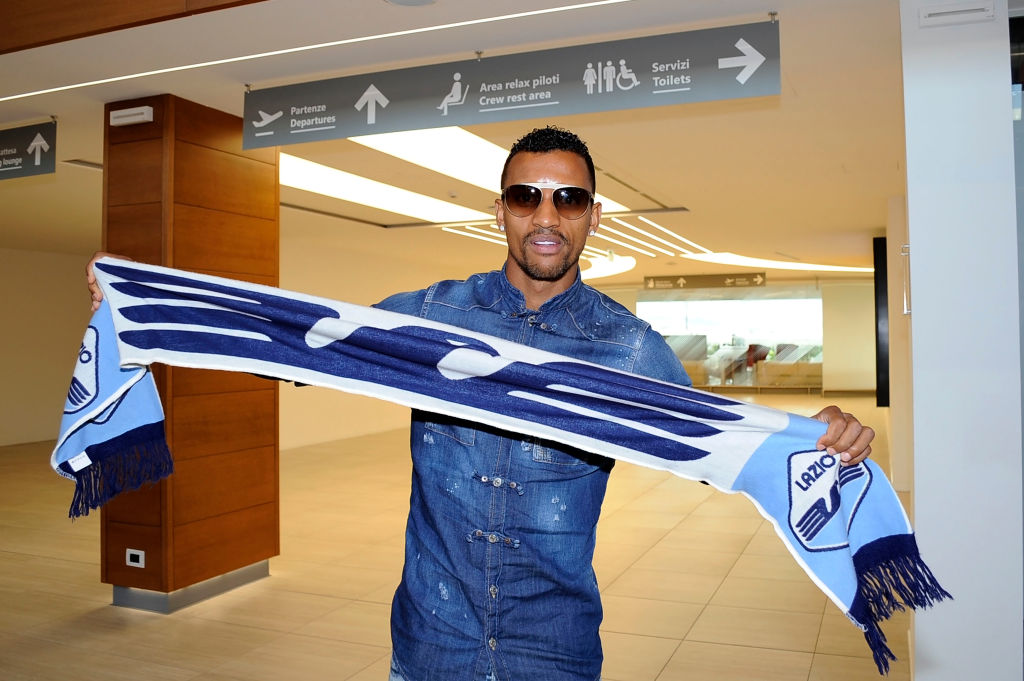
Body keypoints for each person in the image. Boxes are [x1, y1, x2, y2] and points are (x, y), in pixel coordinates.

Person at [87, 125, 873, 681]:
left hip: (554, 652)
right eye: (526, 196)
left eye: (569, 199)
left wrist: (816, 437)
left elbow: (718, 443)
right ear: (500, 210)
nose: (546, 216)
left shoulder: (630, 348)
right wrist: (145, 305)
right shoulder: (430, 316)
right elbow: (299, 348)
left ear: (594, 216)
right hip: (431, 644)